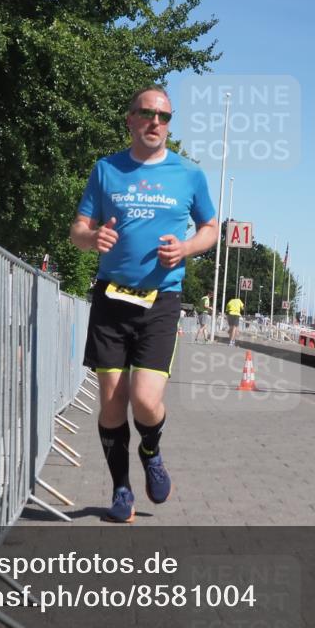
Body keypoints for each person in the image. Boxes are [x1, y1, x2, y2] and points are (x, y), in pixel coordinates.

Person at [69, 86, 219, 523]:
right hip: (111, 298)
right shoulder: (106, 169)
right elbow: (78, 228)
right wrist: (90, 238)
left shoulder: (189, 174)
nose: (156, 122)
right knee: (113, 403)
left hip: (161, 301)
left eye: (165, 116)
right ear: (131, 119)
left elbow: (211, 226)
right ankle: (121, 490)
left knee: (146, 400)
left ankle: (150, 450)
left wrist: (188, 248)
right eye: (148, 114)